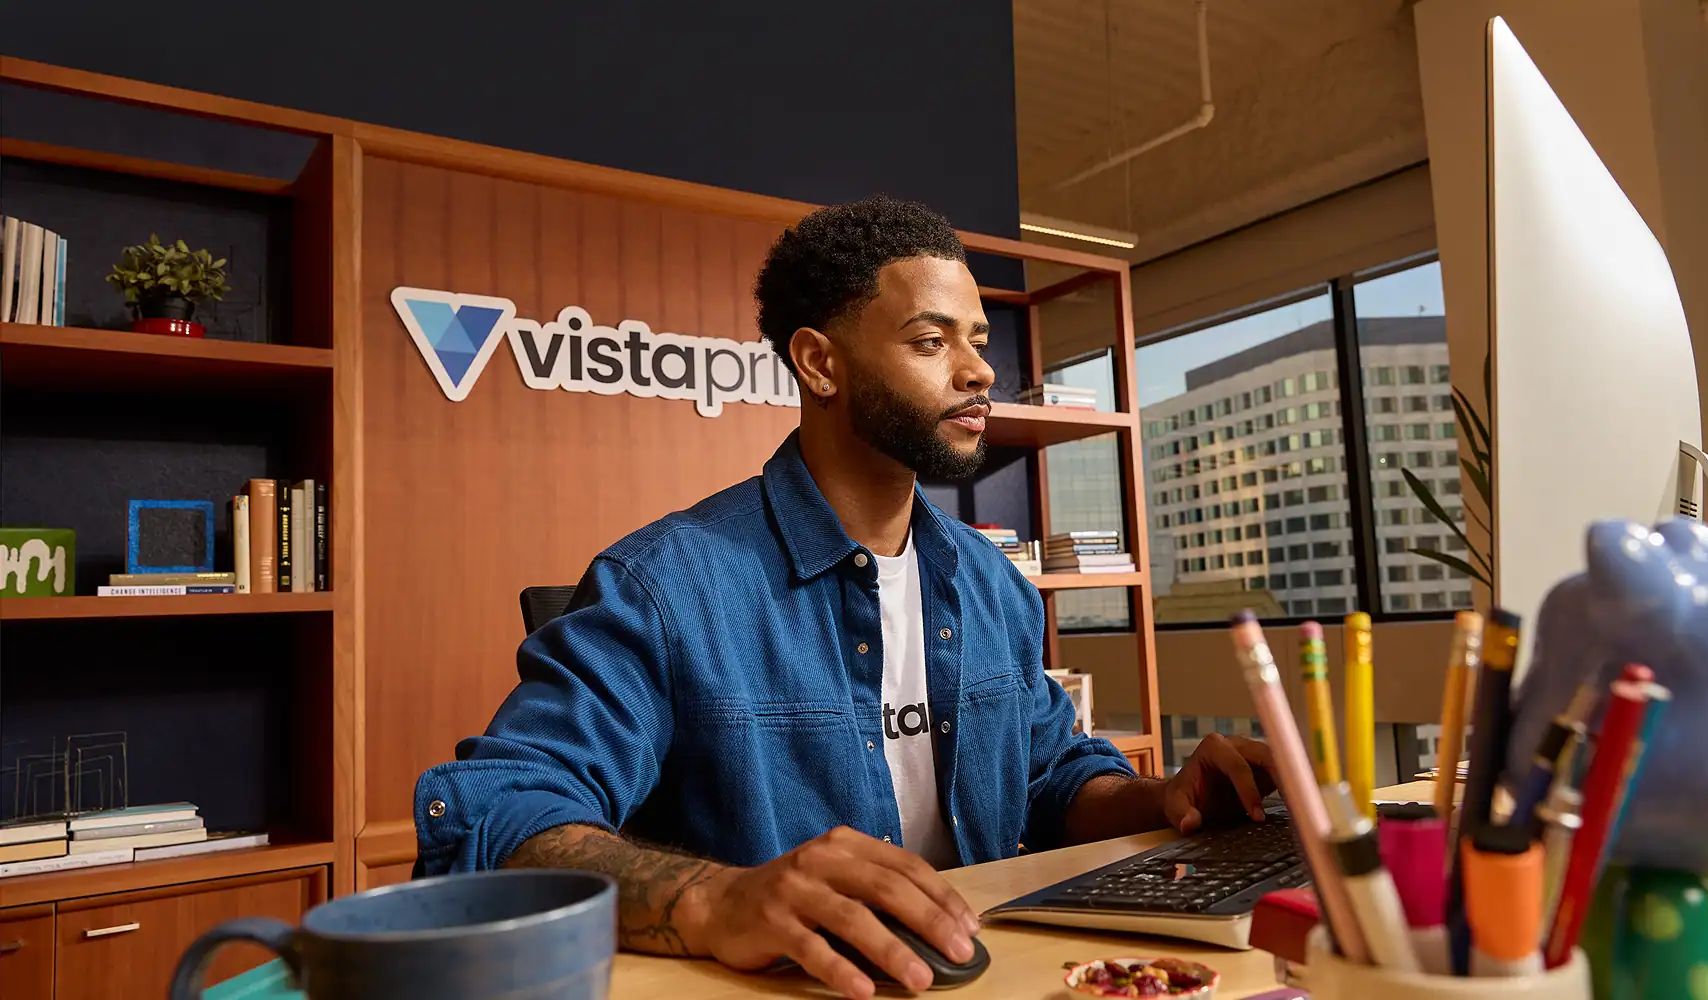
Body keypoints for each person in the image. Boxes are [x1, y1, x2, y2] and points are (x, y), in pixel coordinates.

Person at [413, 195, 1277, 1000]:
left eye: (978, 341)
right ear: (820, 364)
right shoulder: (665, 586)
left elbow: (1052, 775)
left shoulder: (991, 584)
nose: (979, 371)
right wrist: (717, 899)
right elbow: (498, 811)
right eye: (931, 342)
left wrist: (1165, 800)